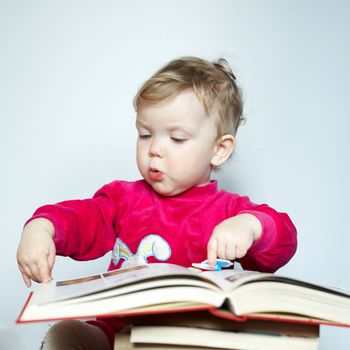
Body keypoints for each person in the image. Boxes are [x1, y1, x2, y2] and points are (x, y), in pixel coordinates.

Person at [17, 56, 297, 349]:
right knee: (67, 335)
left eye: (176, 138)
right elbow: (81, 218)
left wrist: (253, 226)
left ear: (219, 150)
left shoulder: (230, 212)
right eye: (145, 134)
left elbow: (283, 241)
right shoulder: (123, 198)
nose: (155, 150)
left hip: (192, 339)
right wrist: (43, 227)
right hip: (118, 336)